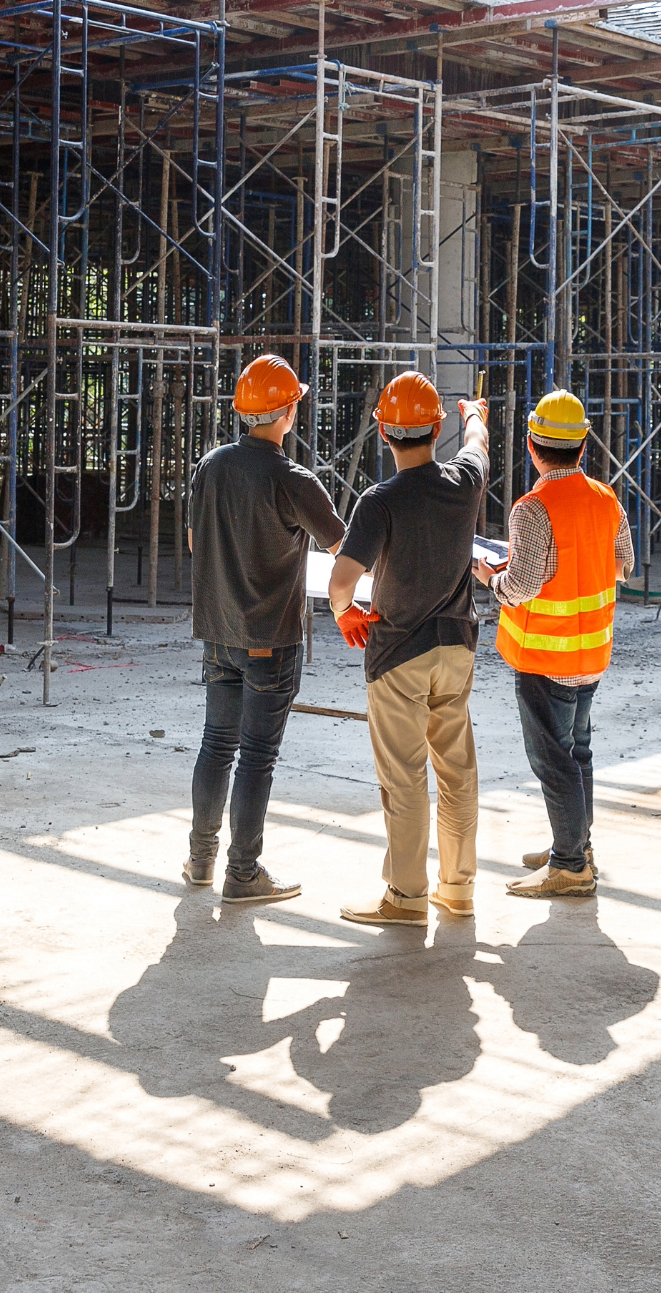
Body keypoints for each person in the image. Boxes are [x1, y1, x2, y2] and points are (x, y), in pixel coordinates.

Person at [328, 373, 489, 927]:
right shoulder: (466, 480)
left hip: (399, 654)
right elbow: (478, 445)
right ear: (435, 427)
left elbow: (342, 579)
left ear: (383, 434)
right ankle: (459, 889)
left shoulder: (380, 501)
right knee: (457, 772)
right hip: (457, 649)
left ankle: (406, 897)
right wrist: (474, 414)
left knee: (404, 778)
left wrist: (344, 612)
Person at [186, 353, 344, 904]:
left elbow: (193, 542)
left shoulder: (211, 466)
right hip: (269, 641)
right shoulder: (291, 478)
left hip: (217, 632)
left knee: (216, 744)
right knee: (256, 756)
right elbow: (344, 548)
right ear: (287, 411)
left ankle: (201, 860)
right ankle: (243, 874)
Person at [474, 388, 633, 898]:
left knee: (553, 759)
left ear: (531, 445)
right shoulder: (606, 498)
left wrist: (489, 577)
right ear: (583, 446)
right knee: (578, 752)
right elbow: (622, 563)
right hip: (592, 653)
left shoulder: (532, 507)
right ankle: (577, 845)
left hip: (547, 656)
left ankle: (569, 866)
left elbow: (520, 589)